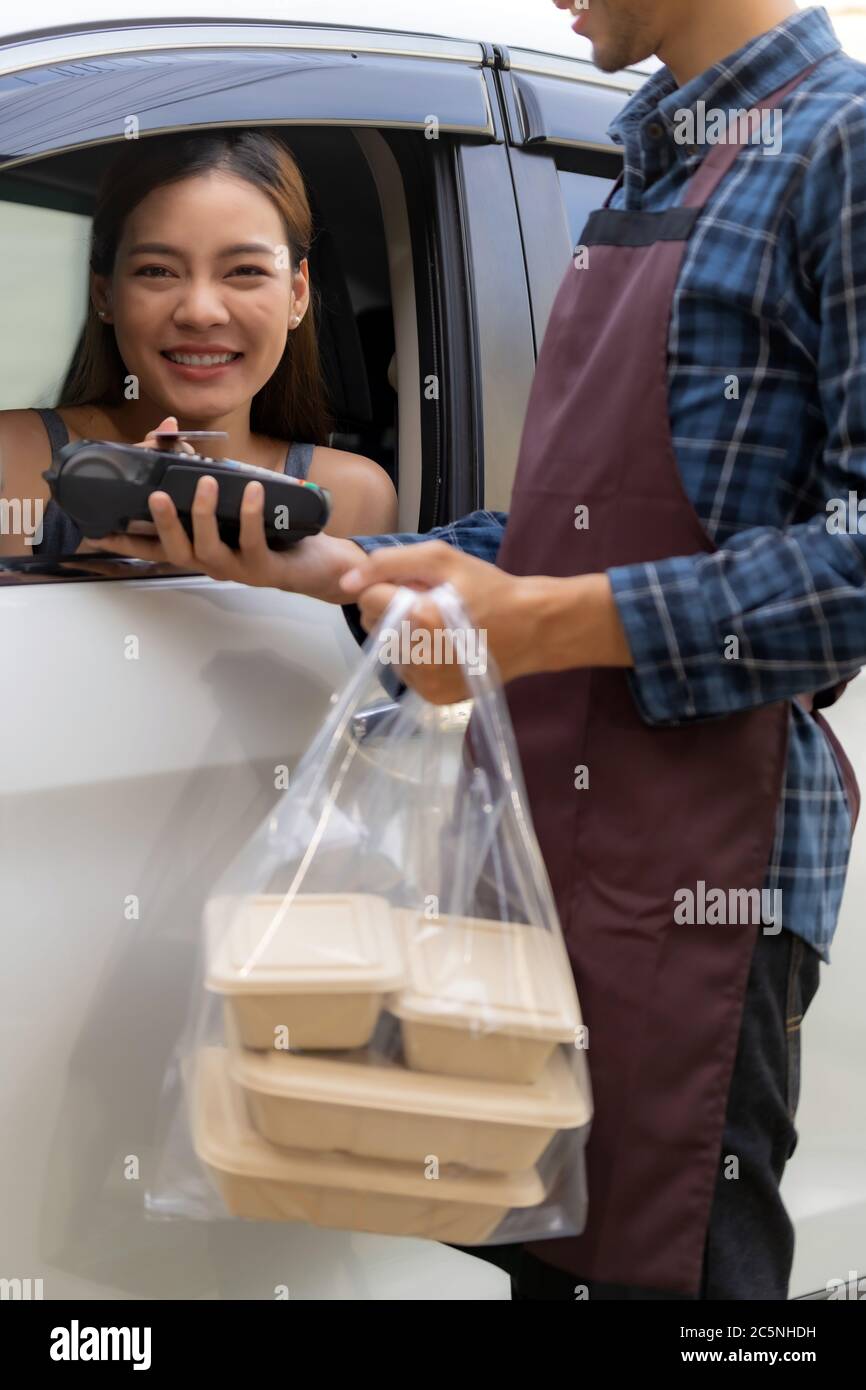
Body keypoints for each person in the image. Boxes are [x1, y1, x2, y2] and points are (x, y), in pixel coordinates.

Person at [68, 1, 866, 1299]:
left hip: (710, 873)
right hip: (566, 850)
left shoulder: (840, 149)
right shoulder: (655, 154)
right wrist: (300, 556)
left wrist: (528, 619)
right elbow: (556, 536)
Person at [0, 130, 397, 559]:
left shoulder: (353, 498)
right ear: (104, 293)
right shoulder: (15, 458)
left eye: (245, 270)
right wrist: (104, 539)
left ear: (296, 296)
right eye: (157, 271)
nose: (200, 311)